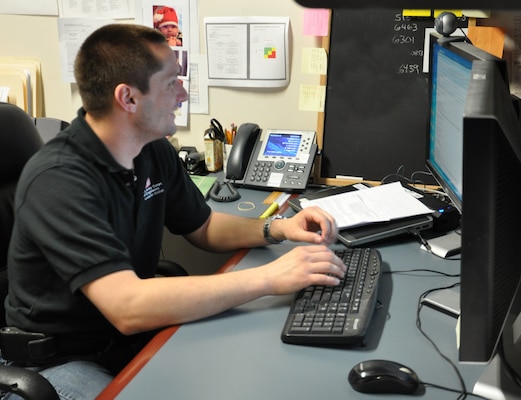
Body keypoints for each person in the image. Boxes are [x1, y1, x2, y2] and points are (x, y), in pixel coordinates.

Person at [2, 23, 345, 400]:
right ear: (128, 98)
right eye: (171, 84)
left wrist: (279, 228)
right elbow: (127, 306)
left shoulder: (150, 150)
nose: (182, 94)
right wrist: (270, 279)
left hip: (127, 339)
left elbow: (205, 226)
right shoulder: (58, 180)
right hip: (62, 361)